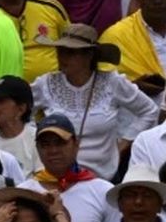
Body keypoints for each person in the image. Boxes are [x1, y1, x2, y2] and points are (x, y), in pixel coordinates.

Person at [30, 24, 156, 180]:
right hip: (56, 177)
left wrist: (123, 144)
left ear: (89, 55)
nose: (62, 58)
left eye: (70, 53)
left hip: (104, 177)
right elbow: (21, 112)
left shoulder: (112, 82)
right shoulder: (46, 84)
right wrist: (37, 141)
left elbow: (149, 111)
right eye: (60, 51)